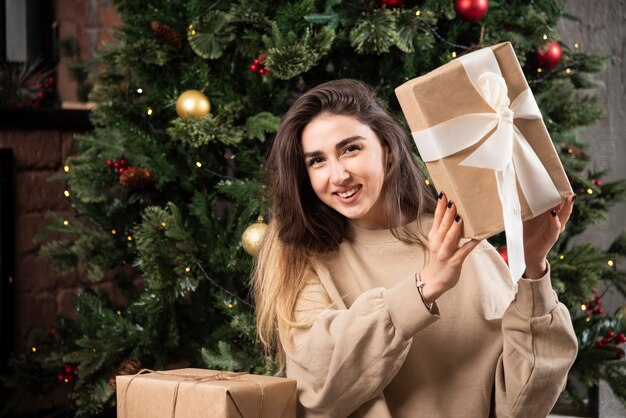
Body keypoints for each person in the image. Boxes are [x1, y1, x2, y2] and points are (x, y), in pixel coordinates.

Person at [252, 79, 577, 418]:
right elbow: (319, 389)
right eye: (317, 161)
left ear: (387, 151)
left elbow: (525, 402)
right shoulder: (310, 264)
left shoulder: (464, 245)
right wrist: (426, 287)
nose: (338, 175)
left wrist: (532, 267)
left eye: (351, 149)